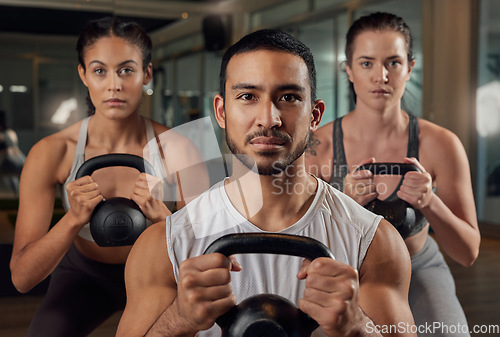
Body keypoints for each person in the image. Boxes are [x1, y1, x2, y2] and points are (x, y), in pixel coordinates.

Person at [116, 29, 416, 337]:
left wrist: (357, 326)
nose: (269, 118)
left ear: (314, 115)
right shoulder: (164, 247)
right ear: (221, 112)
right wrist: (179, 319)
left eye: (288, 97)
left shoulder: (374, 242)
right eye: (248, 97)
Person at [9, 17, 209, 337]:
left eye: (126, 70)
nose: (113, 84)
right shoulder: (52, 152)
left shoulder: (181, 148)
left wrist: (164, 220)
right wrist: (73, 219)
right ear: (83, 75)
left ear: (146, 74)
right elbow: (21, 278)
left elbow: (211, 256)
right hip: (83, 274)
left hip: (156, 272)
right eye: (100, 70)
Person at [305, 12, 480, 337]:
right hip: (348, 270)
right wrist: (346, 206)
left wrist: (430, 202)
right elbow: (302, 244)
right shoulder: (320, 146)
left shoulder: (441, 144)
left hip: (420, 265)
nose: (381, 76)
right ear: (349, 69)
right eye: (367, 63)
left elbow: (468, 253)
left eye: (393, 63)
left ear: (409, 68)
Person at [0, 109, 26, 196]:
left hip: (13, 160)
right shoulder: (11, 133)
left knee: (16, 182)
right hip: (19, 159)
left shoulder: (7, 133)